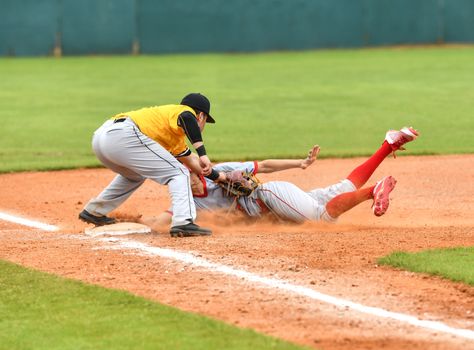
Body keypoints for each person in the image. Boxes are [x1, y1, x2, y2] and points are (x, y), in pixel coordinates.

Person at [156, 127, 419, 225]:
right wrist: (130, 221)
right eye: (179, 175)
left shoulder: (218, 171)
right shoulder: (187, 203)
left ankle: (373, 191)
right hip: (282, 202)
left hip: (271, 198)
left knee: (323, 218)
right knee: (344, 186)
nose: (186, 178)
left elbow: (265, 166)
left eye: (186, 171)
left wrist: (301, 163)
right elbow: (160, 220)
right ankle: (388, 144)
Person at [79, 93, 224, 237]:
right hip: (124, 134)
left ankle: (94, 211)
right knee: (179, 173)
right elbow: (187, 117)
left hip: (102, 138)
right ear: (201, 116)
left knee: (135, 176)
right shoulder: (181, 112)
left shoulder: (172, 133)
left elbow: (191, 161)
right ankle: (183, 222)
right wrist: (203, 153)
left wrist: (221, 178)